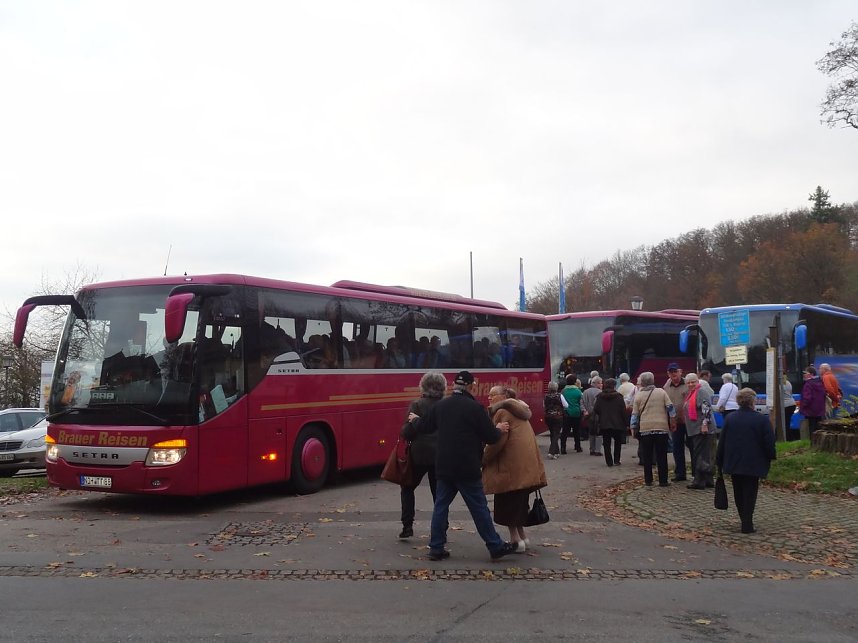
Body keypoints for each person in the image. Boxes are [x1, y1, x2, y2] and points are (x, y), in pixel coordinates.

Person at [419, 371, 517, 562]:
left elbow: (424, 427)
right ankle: (495, 546)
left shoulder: (441, 405)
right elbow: (491, 436)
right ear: (471, 386)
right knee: (478, 507)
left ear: (454, 385)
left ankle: (436, 547)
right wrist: (497, 430)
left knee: (441, 506)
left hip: (444, 466)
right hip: (467, 466)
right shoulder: (474, 408)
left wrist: (415, 420)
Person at [483, 386, 548, 552]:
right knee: (519, 503)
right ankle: (523, 537)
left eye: (493, 395)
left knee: (508, 504)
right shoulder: (520, 409)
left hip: (509, 467)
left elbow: (497, 442)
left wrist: (482, 459)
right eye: (488, 394)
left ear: (503, 396)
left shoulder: (502, 412)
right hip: (525, 467)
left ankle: (515, 540)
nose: (489, 398)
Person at [716, 387, 776, 534]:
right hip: (754, 462)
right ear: (752, 401)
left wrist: (719, 459)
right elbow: (769, 442)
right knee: (750, 491)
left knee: (738, 491)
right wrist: (771, 456)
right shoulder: (762, 419)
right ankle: (747, 522)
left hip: (734, 461)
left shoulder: (730, 418)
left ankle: (744, 518)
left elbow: (722, 440)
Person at [397, 371, 446, 539]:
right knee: (439, 494)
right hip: (440, 454)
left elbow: (408, 432)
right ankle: (441, 530)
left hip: (419, 454)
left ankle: (407, 526)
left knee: (407, 487)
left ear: (423, 386)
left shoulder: (417, 405)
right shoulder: (446, 405)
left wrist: (412, 424)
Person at [631, 371, 676, 487]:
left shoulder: (639, 395)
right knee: (661, 455)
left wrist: (633, 427)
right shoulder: (661, 392)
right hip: (661, 427)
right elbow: (670, 408)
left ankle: (648, 480)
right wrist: (672, 421)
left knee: (647, 455)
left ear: (642, 382)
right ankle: (663, 480)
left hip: (645, 429)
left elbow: (635, 414)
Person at [683, 373, 714, 490]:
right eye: (688, 382)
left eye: (693, 382)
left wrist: (705, 424)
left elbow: (706, 408)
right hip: (695, 428)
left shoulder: (701, 392)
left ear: (697, 382)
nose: (691, 384)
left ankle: (699, 481)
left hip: (701, 429)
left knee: (699, 455)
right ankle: (708, 480)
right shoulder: (691, 393)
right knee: (703, 455)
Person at [663, 363, 690, 482]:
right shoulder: (666, 386)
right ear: (668, 374)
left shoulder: (688, 384)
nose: (673, 374)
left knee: (692, 446)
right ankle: (680, 473)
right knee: (677, 448)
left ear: (680, 372)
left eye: (675, 371)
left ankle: (696, 473)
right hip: (675, 422)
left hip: (689, 421)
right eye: (670, 372)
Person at [593, 378, 627, 467]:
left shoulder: (600, 396)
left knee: (606, 443)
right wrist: (626, 422)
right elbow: (623, 411)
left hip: (604, 423)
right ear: (614, 386)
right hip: (617, 423)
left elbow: (596, 409)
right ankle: (616, 460)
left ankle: (609, 461)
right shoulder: (619, 397)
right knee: (618, 442)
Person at [560, 374, 583, 454]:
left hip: (566, 413)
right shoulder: (578, 391)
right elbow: (581, 402)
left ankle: (563, 447)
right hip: (576, 413)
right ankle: (578, 447)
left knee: (565, 431)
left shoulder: (563, 391)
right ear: (575, 382)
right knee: (576, 431)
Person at [799, 366, 826, 435]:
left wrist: (803, 406)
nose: (804, 375)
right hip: (819, 410)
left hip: (810, 411)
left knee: (811, 428)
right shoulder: (820, 382)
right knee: (818, 428)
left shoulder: (808, 384)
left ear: (811, 374)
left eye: (805, 373)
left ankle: (812, 443)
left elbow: (807, 398)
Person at [582, 376, 603, 456]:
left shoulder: (585, 392)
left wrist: (584, 411)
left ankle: (592, 449)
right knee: (598, 432)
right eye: (601, 383)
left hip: (588, 415)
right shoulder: (600, 393)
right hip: (598, 415)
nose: (602, 384)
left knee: (591, 432)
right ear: (597, 383)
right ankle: (597, 450)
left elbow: (582, 402)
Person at [543, 381, 564, 459]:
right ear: (556, 387)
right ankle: (551, 452)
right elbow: (566, 405)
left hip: (548, 417)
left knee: (552, 433)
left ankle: (556, 452)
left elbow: (544, 406)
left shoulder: (546, 396)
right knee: (556, 434)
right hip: (557, 417)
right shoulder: (559, 396)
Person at [782, 373, 798, 440]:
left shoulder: (780, 384)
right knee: (787, 422)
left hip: (785, 405)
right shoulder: (788, 382)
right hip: (792, 403)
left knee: (784, 423)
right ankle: (789, 438)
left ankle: (788, 438)